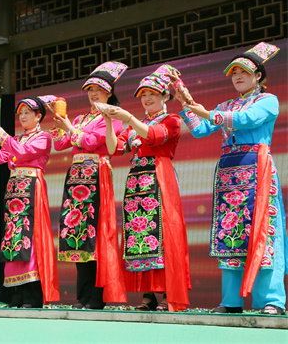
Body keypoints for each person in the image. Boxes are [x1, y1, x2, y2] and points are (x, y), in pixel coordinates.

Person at [175, 42, 286, 315]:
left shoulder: (267, 101)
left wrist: (205, 111)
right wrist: (186, 104)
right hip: (228, 172)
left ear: (258, 75)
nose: (237, 76)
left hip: (256, 170)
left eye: (243, 72)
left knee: (264, 233)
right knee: (230, 233)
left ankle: (272, 300)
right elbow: (201, 130)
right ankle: (231, 301)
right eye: (233, 72)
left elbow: (246, 120)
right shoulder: (226, 104)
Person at [102, 64, 191, 312]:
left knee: (162, 233)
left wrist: (128, 118)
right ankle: (149, 294)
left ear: (165, 96)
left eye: (152, 93)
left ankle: (166, 295)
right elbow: (114, 149)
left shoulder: (172, 119)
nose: (147, 98)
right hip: (136, 183)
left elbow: (154, 136)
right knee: (141, 237)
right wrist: (109, 122)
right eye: (143, 94)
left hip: (159, 178)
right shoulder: (133, 126)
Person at [50, 62, 128, 309]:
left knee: (95, 235)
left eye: (98, 90)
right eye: (90, 89)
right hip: (76, 177)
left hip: (96, 173)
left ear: (109, 93)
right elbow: (62, 144)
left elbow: (93, 142)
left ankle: (96, 297)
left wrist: (70, 129)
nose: (93, 94)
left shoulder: (113, 115)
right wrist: (59, 122)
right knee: (77, 235)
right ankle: (82, 296)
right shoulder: (82, 117)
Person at [0, 95, 60, 308]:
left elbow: (24, 154)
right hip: (14, 190)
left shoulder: (43, 137)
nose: (23, 116)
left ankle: (32, 295)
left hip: (31, 187)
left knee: (31, 238)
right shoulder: (16, 139)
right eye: (21, 113)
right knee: (14, 240)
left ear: (39, 116)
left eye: (28, 113)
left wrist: (2, 137)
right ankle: (16, 294)